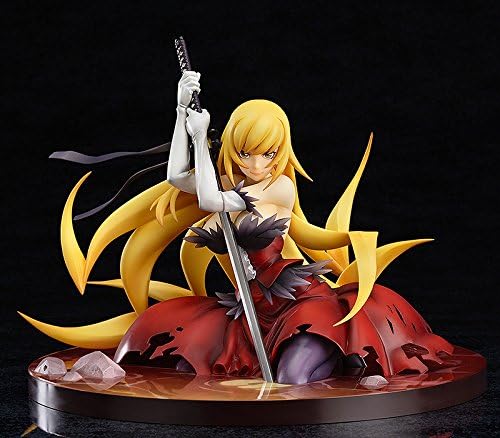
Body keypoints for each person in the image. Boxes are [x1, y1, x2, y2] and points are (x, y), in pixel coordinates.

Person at [19, 71, 453, 384]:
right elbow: (178, 177)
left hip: (299, 304)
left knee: (293, 378)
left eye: (268, 153)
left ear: (282, 151)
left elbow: (212, 200)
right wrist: (181, 113)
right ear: (231, 148)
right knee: (181, 357)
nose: (257, 164)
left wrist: (200, 136)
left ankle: (344, 362)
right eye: (246, 153)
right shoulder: (230, 182)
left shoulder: (279, 188)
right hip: (249, 307)